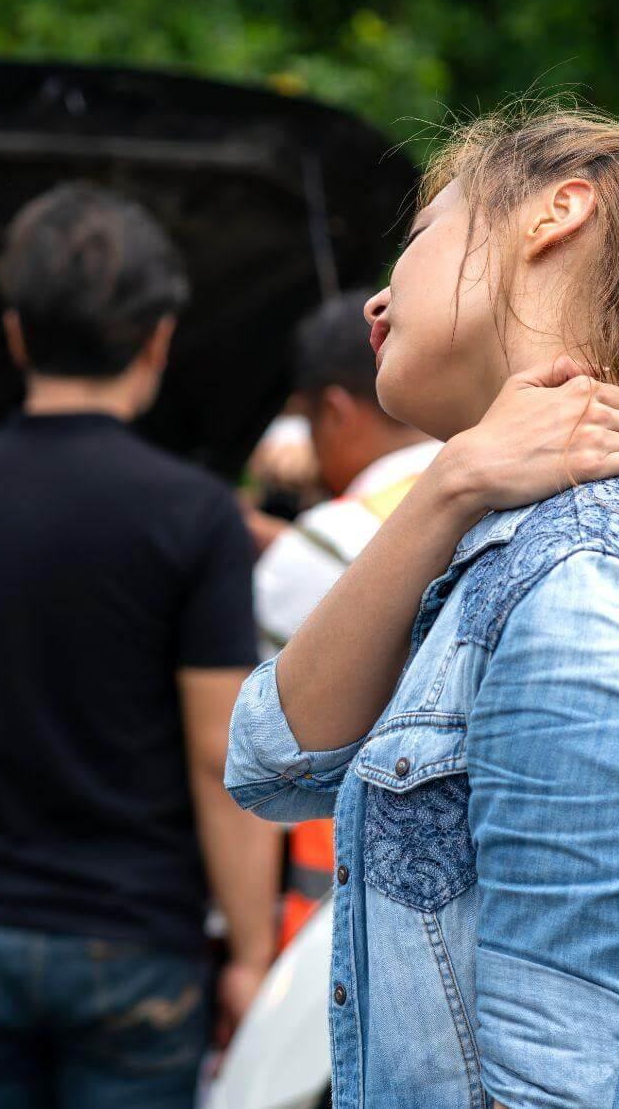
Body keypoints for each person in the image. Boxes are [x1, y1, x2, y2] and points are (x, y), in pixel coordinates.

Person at [224, 104, 619, 1109]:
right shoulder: (493, 535)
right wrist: (450, 482)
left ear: (554, 215)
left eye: (412, 240)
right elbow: (269, 760)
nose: (374, 300)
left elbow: (549, 1078)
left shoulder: (586, 574)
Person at [0, 182, 280, 1107]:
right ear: (159, 339)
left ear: (17, 333)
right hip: (132, 936)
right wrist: (254, 952)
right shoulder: (194, 518)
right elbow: (217, 750)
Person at [250, 289, 441, 947]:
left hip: (338, 925)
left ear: (333, 409)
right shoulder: (523, 496)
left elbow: (259, 760)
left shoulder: (323, 542)